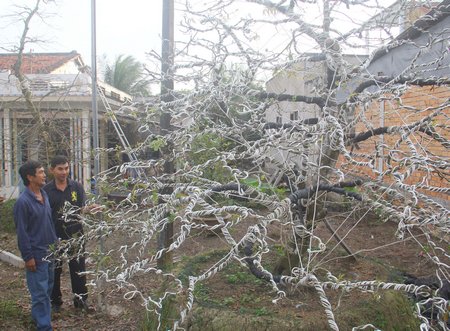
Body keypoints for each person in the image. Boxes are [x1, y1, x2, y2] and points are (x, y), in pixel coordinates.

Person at [14, 160, 58, 331]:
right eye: (40, 172)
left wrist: (55, 242)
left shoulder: (44, 195)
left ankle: (37, 318)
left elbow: (48, 222)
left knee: (47, 289)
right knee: (39, 293)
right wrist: (28, 257)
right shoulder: (22, 202)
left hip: (50, 251)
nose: (44, 174)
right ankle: (44, 326)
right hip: (37, 255)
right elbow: (22, 233)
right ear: (30, 177)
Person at [43, 155, 90, 312]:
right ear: (52, 170)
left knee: (78, 268)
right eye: (60, 169)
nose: (64, 172)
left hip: (76, 235)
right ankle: (55, 301)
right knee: (54, 270)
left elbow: (81, 209)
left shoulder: (76, 187)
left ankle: (81, 300)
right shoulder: (46, 190)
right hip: (54, 237)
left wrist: (90, 210)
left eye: (66, 168)